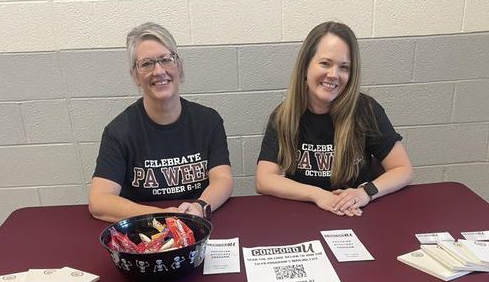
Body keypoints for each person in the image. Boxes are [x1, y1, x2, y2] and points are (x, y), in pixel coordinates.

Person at [256, 21, 413, 217]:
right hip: (305, 213)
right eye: (325, 63)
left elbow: (403, 169)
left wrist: (365, 192)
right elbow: (264, 180)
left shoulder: (366, 109)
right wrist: (318, 195)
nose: (333, 75)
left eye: (344, 67)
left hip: (355, 213)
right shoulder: (284, 115)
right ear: (305, 66)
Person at [89, 22, 234, 223]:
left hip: (198, 224)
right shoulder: (118, 132)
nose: (158, 71)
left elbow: (223, 179)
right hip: (146, 230)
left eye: (166, 60)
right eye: (146, 64)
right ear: (135, 76)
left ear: (179, 67)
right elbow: (99, 201)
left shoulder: (208, 121)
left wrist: (199, 207)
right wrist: (160, 216)